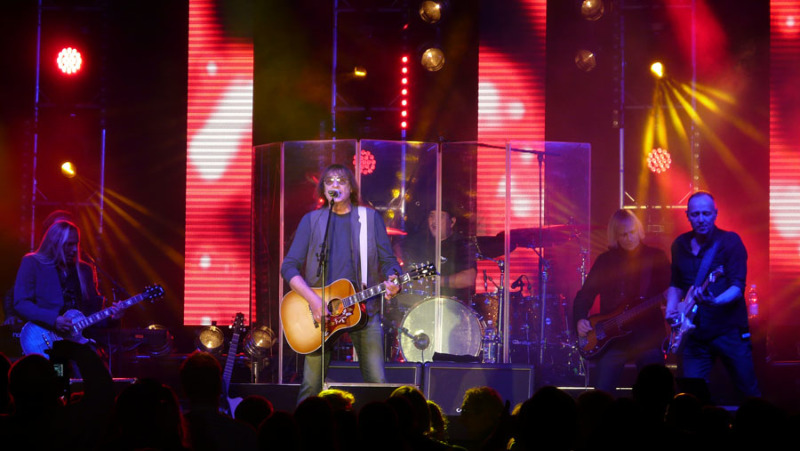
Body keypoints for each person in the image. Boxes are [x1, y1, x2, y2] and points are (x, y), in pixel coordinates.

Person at [280, 163, 401, 404]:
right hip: (320, 312)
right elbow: (289, 266)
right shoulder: (312, 221)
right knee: (311, 387)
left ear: (351, 188)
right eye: (329, 181)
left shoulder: (369, 218)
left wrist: (394, 278)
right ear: (323, 189)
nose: (335, 185)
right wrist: (313, 300)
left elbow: (389, 261)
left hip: (363, 308)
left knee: (377, 384)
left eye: (341, 181)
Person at [665, 191, 760, 399]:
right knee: (690, 396)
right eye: (696, 214)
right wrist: (672, 309)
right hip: (694, 333)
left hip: (729, 331)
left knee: (748, 391)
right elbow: (676, 284)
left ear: (715, 214)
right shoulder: (679, 245)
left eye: (706, 214)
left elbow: (737, 287)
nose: (701, 219)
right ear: (687, 215)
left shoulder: (729, 242)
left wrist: (715, 301)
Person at [573, 209, 670, 395]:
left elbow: (671, 289)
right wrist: (579, 319)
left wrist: (672, 301)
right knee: (601, 393)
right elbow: (585, 295)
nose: (629, 238)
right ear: (615, 236)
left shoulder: (656, 257)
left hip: (647, 337)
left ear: (639, 231)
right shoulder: (605, 261)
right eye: (623, 235)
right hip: (613, 339)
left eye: (632, 232)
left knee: (656, 389)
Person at [12, 220, 121, 359]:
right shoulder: (33, 263)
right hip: (47, 339)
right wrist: (53, 319)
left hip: (78, 343)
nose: (75, 249)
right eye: (68, 244)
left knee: (92, 375)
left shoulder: (84, 270)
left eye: (76, 243)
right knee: (58, 375)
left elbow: (91, 314)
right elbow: (21, 303)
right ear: (54, 243)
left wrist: (113, 317)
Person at [401, 202, 476, 303]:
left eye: (440, 216)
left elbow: (469, 279)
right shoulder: (422, 243)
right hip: (424, 305)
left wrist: (436, 281)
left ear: (452, 222)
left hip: (455, 307)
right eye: (431, 216)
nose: (434, 221)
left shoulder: (462, 244)